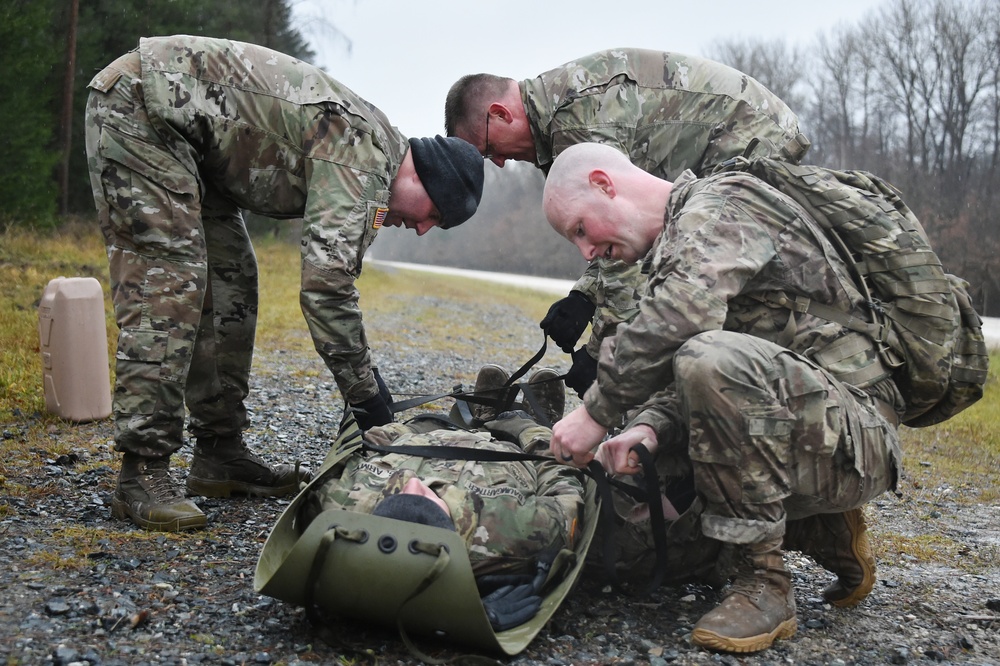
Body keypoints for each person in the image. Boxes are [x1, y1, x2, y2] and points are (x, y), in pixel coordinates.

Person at [85, 36, 485, 533]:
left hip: (191, 143)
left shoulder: (373, 153)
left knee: (232, 283)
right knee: (169, 284)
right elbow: (326, 288)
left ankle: (219, 453)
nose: (423, 228)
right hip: (145, 106)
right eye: (436, 217)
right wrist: (367, 399)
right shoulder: (362, 159)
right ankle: (142, 471)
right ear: (428, 179)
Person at [542, 143, 900, 654]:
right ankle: (814, 527)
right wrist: (647, 428)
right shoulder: (677, 245)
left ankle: (764, 582)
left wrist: (595, 414)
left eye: (580, 228)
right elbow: (686, 372)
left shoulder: (723, 204)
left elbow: (689, 326)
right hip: (794, 426)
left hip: (856, 435)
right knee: (621, 541)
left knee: (708, 359)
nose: (586, 252)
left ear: (604, 184)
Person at [444, 48, 810, 398]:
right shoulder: (556, 123)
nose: (498, 163)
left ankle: (755, 402)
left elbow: (622, 233)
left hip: (752, 139)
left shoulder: (577, 115)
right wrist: (584, 296)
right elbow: (607, 234)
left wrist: (600, 350)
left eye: (488, 149)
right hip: (717, 155)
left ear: (500, 114)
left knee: (709, 290)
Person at [297, 364, 579, 630]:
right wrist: (529, 430)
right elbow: (561, 478)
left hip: (431, 437)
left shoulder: (341, 505)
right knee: (545, 439)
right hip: (511, 448)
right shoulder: (513, 530)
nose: (412, 483)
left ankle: (484, 420)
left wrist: (422, 425)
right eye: (425, 494)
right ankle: (539, 419)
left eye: (397, 490)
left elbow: (366, 444)